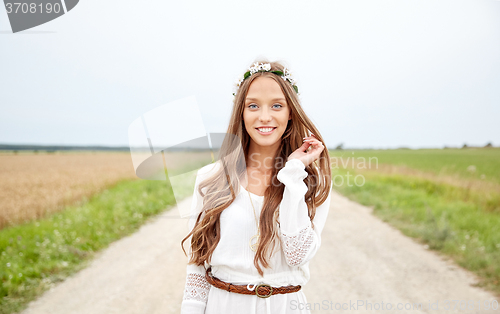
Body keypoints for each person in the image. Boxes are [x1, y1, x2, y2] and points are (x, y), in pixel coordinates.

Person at [180, 60, 333, 314]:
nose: (264, 116)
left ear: (290, 112)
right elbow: (197, 265)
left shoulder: (309, 181)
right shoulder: (210, 178)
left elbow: (297, 254)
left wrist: (293, 173)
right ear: (241, 112)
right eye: (253, 105)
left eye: (276, 105)